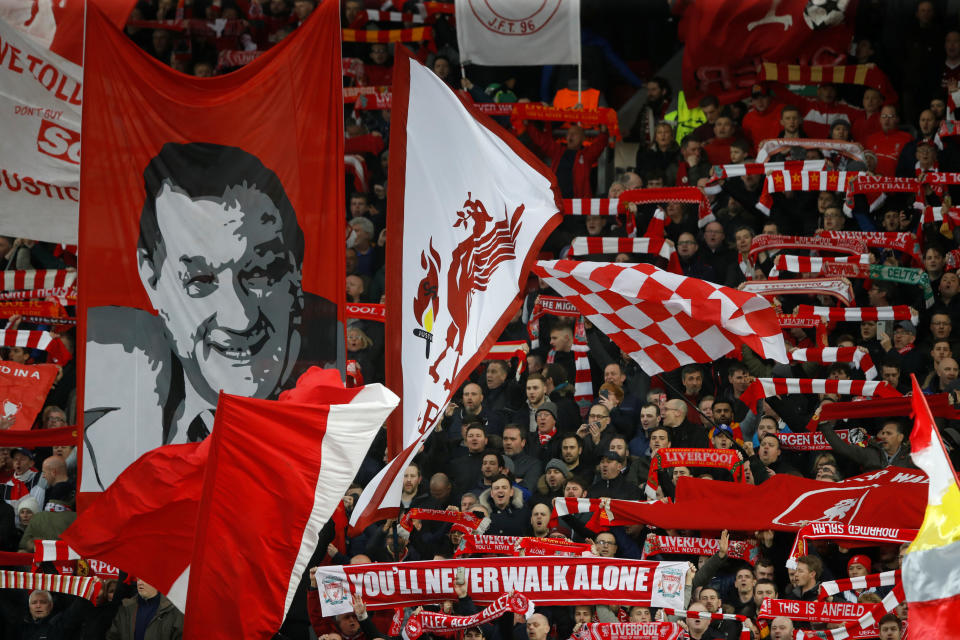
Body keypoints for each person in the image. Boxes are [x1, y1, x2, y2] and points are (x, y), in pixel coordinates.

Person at [84, 143, 340, 491]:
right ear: (152, 280)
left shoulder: (342, 423)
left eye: (261, 273)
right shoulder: (101, 439)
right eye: (200, 281)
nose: (240, 318)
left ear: (296, 272)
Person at [106, 579, 183, 639]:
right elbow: (113, 636)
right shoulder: (125, 608)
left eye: (145, 579)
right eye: (138, 579)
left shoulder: (173, 610)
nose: (140, 582)